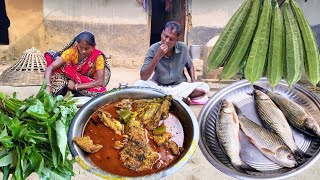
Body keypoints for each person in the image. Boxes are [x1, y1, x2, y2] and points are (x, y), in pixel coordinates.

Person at [135, 21, 210, 105]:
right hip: (159, 86)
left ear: (177, 39)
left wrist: (193, 80)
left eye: (171, 39)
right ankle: (179, 99)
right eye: (165, 36)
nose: (167, 41)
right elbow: (143, 77)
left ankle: (165, 98)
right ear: (162, 33)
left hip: (179, 86)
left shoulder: (183, 48)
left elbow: (190, 65)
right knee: (139, 84)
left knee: (204, 87)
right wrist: (157, 56)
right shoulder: (153, 49)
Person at [44, 31, 111, 97]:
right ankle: (67, 89)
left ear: (93, 46)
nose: (83, 51)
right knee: (58, 73)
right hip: (70, 79)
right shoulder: (71, 52)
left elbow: (100, 82)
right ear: (77, 45)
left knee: (101, 92)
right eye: (80, 48)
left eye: (87, 48)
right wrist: (48, 85)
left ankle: (73, 90)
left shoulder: (98, 57)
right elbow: (50, 67)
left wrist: (75, 86)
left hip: (87, 82)